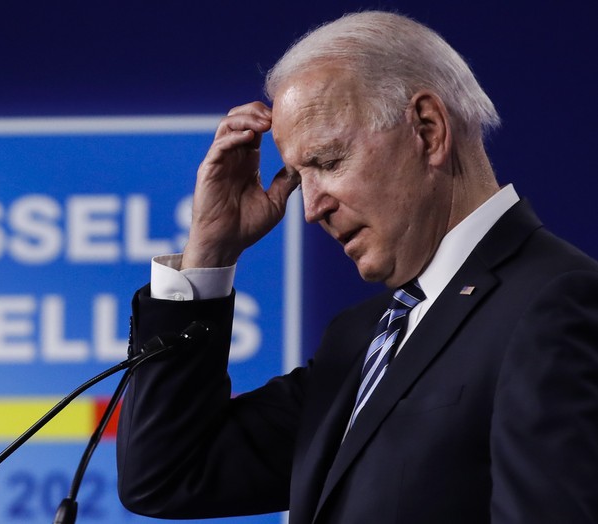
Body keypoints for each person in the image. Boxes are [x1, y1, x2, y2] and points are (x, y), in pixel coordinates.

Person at [115, 10, 598, 524]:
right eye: (301, 177)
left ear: (428, 130)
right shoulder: (360, 338)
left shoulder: (554, 304)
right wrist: (207, 256)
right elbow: (167, 477)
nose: (311, 208)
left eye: (327, 162)